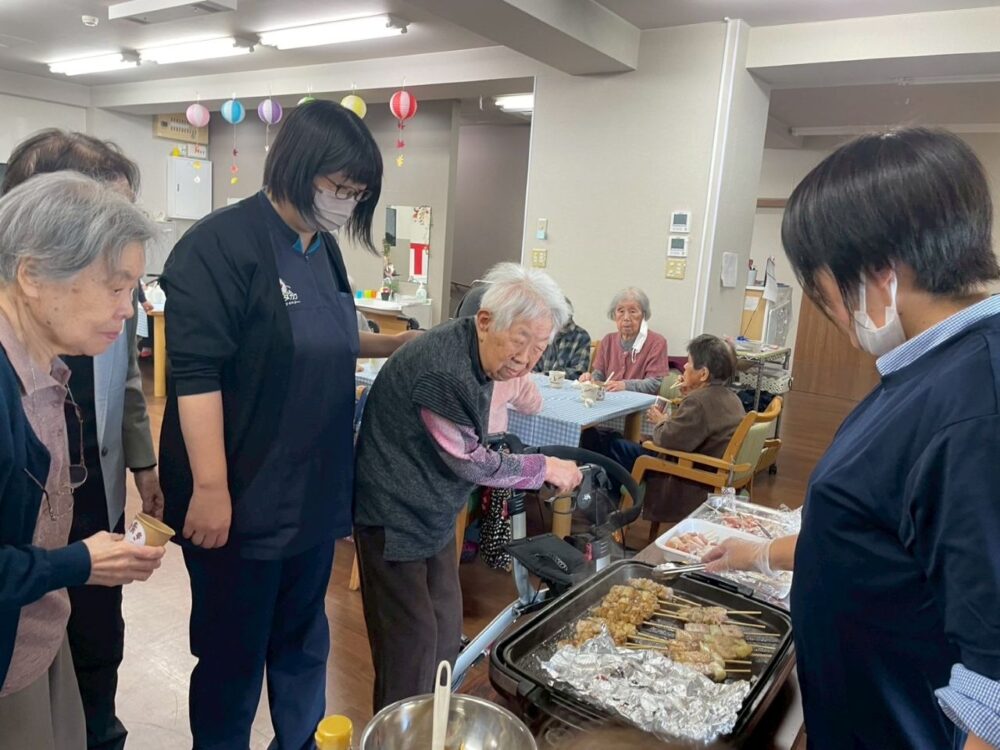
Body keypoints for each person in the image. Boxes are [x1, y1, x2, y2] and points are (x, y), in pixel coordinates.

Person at [707, 128, 1000, 749]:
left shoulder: (977, 405)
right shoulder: (927, 369)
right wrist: (759, 554)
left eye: (822, 288)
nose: (829, 309)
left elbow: (994, 681)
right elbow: (878, 531)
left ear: (878, 273)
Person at [157, 101, 416, 749]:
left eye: (356, 193)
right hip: (239, 499)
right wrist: (211, 488)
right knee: (233, 656)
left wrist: (393, 346)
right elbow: (196, 375)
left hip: (311, 496)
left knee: (303, 646)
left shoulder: (322, 250)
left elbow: (330, 337)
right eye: (338, 187)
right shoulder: (219, 246)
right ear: (297, 167)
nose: (344, 203)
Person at [354, 262, 583, 711]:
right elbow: (470, 460)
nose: (526, 360)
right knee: (410, 647)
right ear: (484, 321)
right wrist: (543, 467)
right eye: (520, 341)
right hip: (393, 516)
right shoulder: (443, 370)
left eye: (539, 348)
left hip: (433, 511)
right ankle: (396, 734)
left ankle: (431, 724)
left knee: (444, 632)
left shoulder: (479, 355)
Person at [1, 128, 163, 750]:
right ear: (34, 270)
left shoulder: (46, 366)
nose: (128, 310)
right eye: (114, 285)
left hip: (37, 631)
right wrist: (75, 563)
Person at [608, 334, 745, 536]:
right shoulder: (732, 398)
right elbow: (693, 430)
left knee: (613, 445)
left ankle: (613, 514)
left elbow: (667, 439)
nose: (685, 367)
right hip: (713, 470)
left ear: (703, 374)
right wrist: (688, 394)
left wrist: (661, 421)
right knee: (618, 442)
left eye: (689, 363)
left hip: (687, 477)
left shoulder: (699, 402)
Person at [580, 287, 668, 393]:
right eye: (621, 311)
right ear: (614, 315)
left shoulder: (657, 342)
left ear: (643, 315)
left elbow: (653, 383)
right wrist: (591, 379)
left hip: (639, 402)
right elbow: (599, 375)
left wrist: (625, 385)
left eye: (633, 311)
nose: (626, 317)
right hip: (609, 399)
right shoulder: (608, 341)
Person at [533, 297, 592, 380]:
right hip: (538, 383)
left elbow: (578, 372)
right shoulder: (544, 333)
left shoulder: (581, 336)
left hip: (566, 386)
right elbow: (532, 365)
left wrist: (545, 375)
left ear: (568, 315)